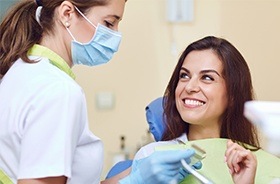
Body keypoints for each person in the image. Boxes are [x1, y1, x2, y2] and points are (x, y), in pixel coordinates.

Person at [0, 0, 198, 184]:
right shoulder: (58, 90)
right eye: (109, 23)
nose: (116, 36)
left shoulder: (22, 72)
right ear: (67, 13)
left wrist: (136, 172)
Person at [134, 36, 260, 183]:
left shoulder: (260, 165)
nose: (189, 87)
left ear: (233, 95)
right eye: (184, 76)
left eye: (207, 77)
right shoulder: (151, 158)